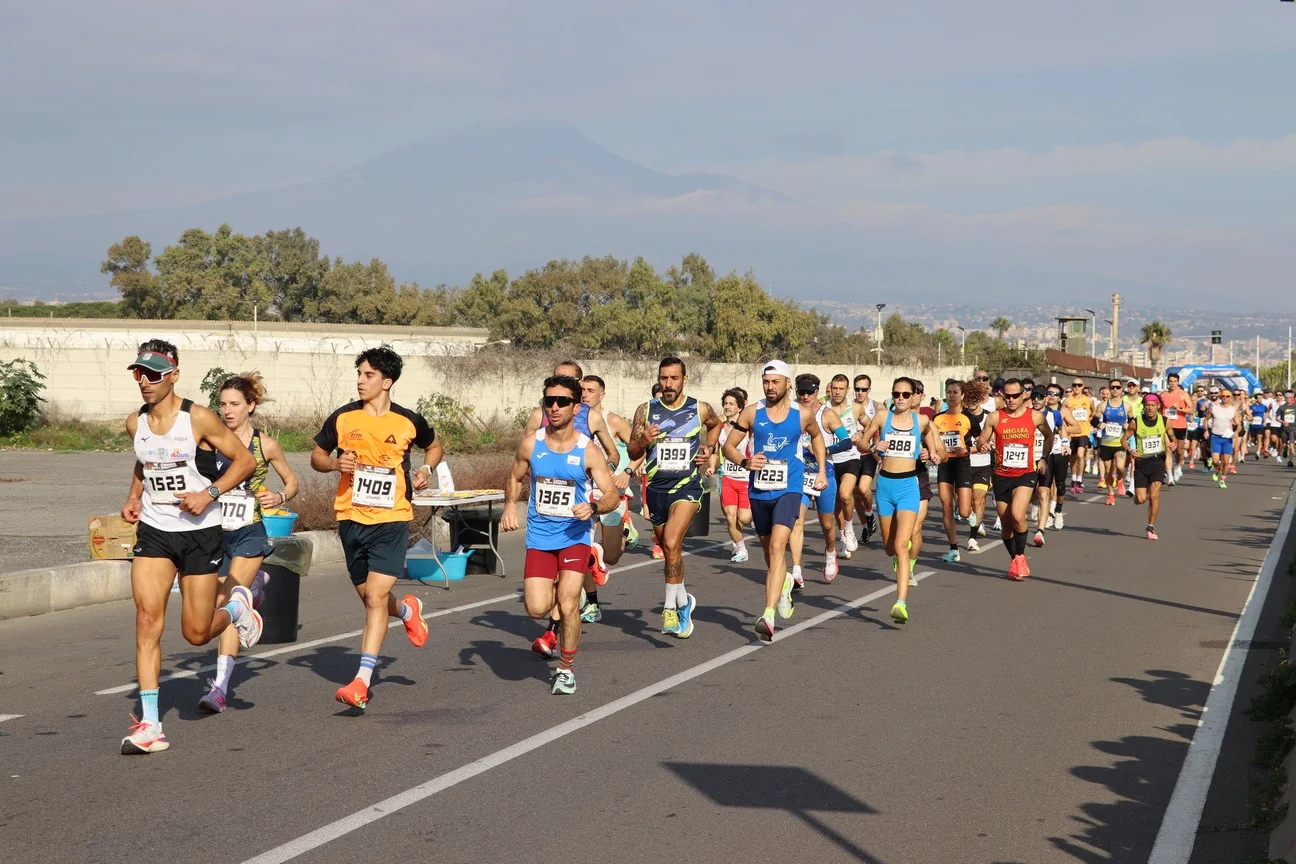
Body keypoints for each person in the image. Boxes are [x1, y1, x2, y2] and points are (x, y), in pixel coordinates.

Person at [119, 340, 262, 754]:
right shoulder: (136, 423)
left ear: (174, 375)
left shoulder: (198, 418)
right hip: (155, 531)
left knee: (197, 632)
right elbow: (144, 463)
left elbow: (244, 461)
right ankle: (150, 725)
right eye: (138, 374)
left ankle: (235, 608)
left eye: (154, 374)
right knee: (147, 620)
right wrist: (133, 496)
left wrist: (210, 493)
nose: (145, 382)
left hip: (200, 532)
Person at [311, 345, 441, 710]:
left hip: (393, 518)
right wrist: (335, 466)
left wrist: (425, 470)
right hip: (351, 517)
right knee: (372, 598)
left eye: (368, 375)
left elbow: (435, 447)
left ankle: (361, 682)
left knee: (374, 599)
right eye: (359, 374)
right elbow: (317, 456)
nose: (360, 381)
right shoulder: (343, 418)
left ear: (388, 381)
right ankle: (407, 611)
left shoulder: (408, 420)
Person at [501, 375, 619, 694]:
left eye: (562, 401)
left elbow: (611, 495)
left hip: (574, 536)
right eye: (548, 401)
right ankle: (574, 574)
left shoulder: (588, 450)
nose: (554, 407)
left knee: (568, 605)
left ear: (576, 407)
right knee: (537, 608)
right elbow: (515, 476)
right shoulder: (531, 443)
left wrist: (593, 507)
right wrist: (510, 505)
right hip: (540, 536)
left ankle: (566, 669)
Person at [197, 373, 300, 714]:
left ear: (251, 406)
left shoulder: (264, 444)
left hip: (248, 531)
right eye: (223, 404)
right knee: (210, 601)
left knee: (226, 603)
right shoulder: (209, 442)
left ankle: (221, 687)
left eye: (235, 404)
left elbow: (292, 481)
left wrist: (279, 495)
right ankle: (254, 590)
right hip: (212, 532)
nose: (227, 411)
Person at [721, 361, 828, 642]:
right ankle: (784, 585)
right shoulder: (752, 413)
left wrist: (819, 470)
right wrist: (745, 460)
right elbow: (727, 446)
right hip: (759, 491)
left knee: (779, 546)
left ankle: (767, 615)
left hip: (789, 489)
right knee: (771, 554)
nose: (770, 387)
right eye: (766, 382)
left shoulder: (802, 414)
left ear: (787, 384)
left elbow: (817, 438)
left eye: (775, 382)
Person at [627, 357, 722, 638]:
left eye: (674, 378)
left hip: (687, 488)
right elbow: (633, 452)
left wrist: (710, 449)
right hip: (656, 489)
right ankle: (684, 601)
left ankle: (669, 608)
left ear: (684, 379)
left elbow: (716, 425)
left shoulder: (699, 408)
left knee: (670, 541)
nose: (668, 384)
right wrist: (644, 440)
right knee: (671, 550)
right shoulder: (645, 411)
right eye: (663, 378)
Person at [856, 377, 945, 623]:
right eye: (897, 394)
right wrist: (875, 447)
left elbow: (940, 452)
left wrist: (933, 455)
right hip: (884, 486)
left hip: (909, 486)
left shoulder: (923, 421)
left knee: (901, 544)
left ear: (913, 395)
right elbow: (863, 442)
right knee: (889, 547)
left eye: (906, 394)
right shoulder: (883, 417)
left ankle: (900, 602)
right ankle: (896, 555)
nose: (901, 399)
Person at [975, 378, 1053, 580]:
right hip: (1001, 475)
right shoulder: (994, 417)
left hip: (1025, 473)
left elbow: (1049, 436)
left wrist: (1043, 458)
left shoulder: (1035, 417)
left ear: (1023, 395)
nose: (1010, 399)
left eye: (1015, 396)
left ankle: (1019, 557)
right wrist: (983, 444)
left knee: (1018, 514)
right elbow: (982, 438)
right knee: (1007, 524)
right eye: (1006, 395)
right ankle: (1016, 559)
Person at [576, 374, 636, 624]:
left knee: (610, 557)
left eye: (591, 390)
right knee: (583, 551)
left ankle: (625, 532)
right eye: (583, 390)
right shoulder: (576, 420)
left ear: (602, 394)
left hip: (612, 494)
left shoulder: (612, 421)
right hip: (585, 496)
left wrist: (627, 471)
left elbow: (640, 448)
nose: (585, 394)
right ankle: (592, 603)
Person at [788, 374, 852, 585]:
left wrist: (824, 449)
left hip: (824, 474)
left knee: (826, 524)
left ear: (818, 391)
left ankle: (830, 551)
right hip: (799, 475)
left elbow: (846, 442)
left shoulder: (827, 414)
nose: (806, 396)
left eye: (810, 392)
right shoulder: (791, 411)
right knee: (796, 521)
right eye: (802, 392)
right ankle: (796, 570)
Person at [1123, 393, 1173, 540]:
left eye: (1153, 405)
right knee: (1141, 499)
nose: (1150, 408)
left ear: (1158, 407)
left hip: (1157, 461)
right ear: (1143, 407)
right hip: (1141, 462)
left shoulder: (1165, 421)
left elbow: (1172, 436)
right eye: (1147, 405)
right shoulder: (1136, 422)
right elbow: (1123, 439)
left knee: (1154, 496)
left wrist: (1173, 443)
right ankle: (1137, 497)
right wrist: (1129, 450)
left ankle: (1150, 527)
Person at [934, 379, 973, 563]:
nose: (951, 395)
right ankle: (953, 548)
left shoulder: (968, 418)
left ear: (962, 395)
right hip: (945, 464)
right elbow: (931, 441)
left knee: (964, 512)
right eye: (949, 392)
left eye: (955, 392)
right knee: (947, 506)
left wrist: (967, 450)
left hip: (962, 464)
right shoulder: (938, 419)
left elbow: (981, 443)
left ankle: (969, 513)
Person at [825, 374, 862, 558]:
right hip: (830, 460)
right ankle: (842, 538)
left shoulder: (854, 408)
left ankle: (849, 529)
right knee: (835, 505)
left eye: (841, 388)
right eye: (835, 388)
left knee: (845, 495)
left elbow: (869, 426)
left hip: (850, 458)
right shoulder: (823, 410)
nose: (837, 392)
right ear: (830, 388)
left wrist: (862, 434)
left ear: (848, 390)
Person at [716, 387, 753, 563]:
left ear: (740, 407)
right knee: (730, 516)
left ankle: (756, 513)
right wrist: (710, 465)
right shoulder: (720, 427)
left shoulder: (747, 427)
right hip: (728, 478)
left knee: (744, 518)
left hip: (746, 478)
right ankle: (741, 548)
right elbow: (715, 452)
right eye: (725, 404)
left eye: (731, 404)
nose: (727, 407)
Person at [850, 373, 884, 546]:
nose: (860, 392)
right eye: (857, 389)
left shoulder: (877, 407)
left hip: (869, 453)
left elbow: (881, 427)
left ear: (869, 389)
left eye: (863, 389)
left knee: (864, 489)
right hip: (851, 455)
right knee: (855, 496)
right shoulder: (849, 407)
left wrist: (874, 443)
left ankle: (869, 514)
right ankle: (866, 526)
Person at [961, 376, 993, 552]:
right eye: (968, 399)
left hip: (982, 464)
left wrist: (990, 444)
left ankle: (972, 538)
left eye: (975, 398)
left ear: (981, 398)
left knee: (979, 498)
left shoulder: (989, 418)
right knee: (964, 506)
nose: (972, 402)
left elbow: (994, 438)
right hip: (962, 465)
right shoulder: (960, 418)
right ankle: (972, 517)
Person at [1039, 384, 1070, 532]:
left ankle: (1058, 510)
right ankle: (1045, 514)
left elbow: (1065, 427)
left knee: (1060, 483)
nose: (1051, 396)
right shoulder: (1029, 412)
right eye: (1049, 393)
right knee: (1044, 485)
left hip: (1058, 450)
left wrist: (1065, 442)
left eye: (1054, 394)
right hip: (1044, 453)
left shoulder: (1058, 413)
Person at [1096, 378, 1130, 506]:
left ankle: (1120, 479)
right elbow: (1093, 420)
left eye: (1117, 387)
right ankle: (1111, 495)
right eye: (1112, 387)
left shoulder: (1126, 406)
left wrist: (1128, 425)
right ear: (1109, 390)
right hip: (1106, 443)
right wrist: (1100, 424)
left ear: (1121, 390)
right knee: (1108, 469)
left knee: (1120, 467)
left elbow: (1132, 421)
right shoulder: (1103, 405)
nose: (1115, 390)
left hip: (1120, 442)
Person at [1204, 388, 1242, 488]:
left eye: (1227, 396)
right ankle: (1217, 469)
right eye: (1223, 396)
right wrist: (1206, 431)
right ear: (1220, 397)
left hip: (1227, 438)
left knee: (1225, 461)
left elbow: (1239, 424)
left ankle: (1222, 479)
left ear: (1231, 398)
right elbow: (1206, 419)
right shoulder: (1214, 408)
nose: (1225, 398)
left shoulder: (1233, 411)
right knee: (1216, 461)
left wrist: (1236, 432)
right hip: (1216, 437)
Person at [1159, 372, 1192, 485]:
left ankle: (1177, 465)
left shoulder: (1183, 394)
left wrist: (1181, 409)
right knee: (1168, 450)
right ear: (1168, 382)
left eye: (1175, 381)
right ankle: (1169, 476)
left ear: (1178, 382)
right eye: (1171, 381)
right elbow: (1159, 410)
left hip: (1180, 426)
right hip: (1167, 426)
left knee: (1178, 451)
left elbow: (1191, 410)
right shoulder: (1163, 395)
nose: (1172, 383)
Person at [1063, 378, 1092, 494]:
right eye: (1074, 385)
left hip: (1083, 431)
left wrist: (1089, 422)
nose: (1076, 387)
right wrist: (1066, 430)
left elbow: (1093, 412)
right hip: (1071, 433)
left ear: (1082, 386)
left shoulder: (1088, 400)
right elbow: (1062, 415)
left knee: (1081, 455)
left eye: (1079, 385)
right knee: (1073, 459)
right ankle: (1074, 479)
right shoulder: (1067, 401)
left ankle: (1079, 479)